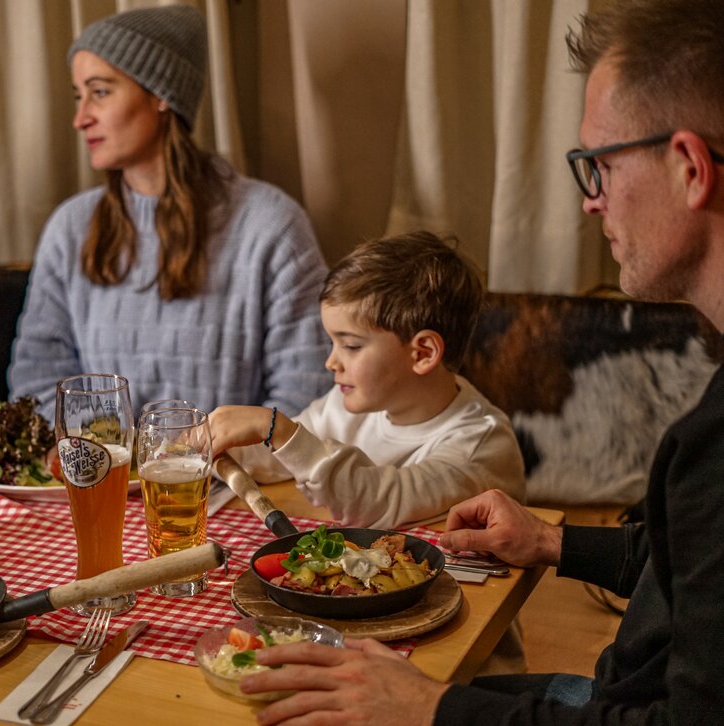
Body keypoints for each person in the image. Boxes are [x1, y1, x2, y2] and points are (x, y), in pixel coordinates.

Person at [236, 1, 724, 723]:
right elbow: (687, 569)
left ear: (686, 166)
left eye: (597, 166)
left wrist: (431, 708)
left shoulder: (713, 450)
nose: (589, 204)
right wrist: (551, 541)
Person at [8, 4, 330, 420]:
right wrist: (110, 459)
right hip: (99, 478)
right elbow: (38, 380)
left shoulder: (271, 227)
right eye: (79, 95)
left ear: (161, 94)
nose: (80, 118)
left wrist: (191, 463)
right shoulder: (71, 227)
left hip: (228, 481)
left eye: (100, 92)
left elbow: (306, 394)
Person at [210, 231, 525, 530]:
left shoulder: (480, 445)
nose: (331, 362)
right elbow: (284, 461)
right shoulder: (345, 405)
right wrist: (204, 445)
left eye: (350, 346)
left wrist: (278, 429)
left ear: (422, 353)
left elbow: (379, 502)